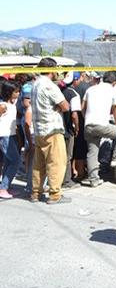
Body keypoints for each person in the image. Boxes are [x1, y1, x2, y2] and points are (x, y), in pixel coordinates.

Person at [30, 58, 71, 204]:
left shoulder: (35, 84)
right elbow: (65, 106)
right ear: (52, 70)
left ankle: (35, 192)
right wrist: (59, 107)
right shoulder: (49, 86)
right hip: (52, 128)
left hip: (39, 129)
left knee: (39, 164)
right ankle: (55, 194)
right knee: (56, 162)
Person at [81, 70, 116, 187]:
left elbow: (83, 108)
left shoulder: (90, 89)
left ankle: (93, 179)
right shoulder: (112, 90)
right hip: (102, 125)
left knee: (92, 152)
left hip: (88, 125)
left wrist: (87, 118)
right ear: (115, 82)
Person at [61, 71, 82, 189]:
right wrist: (77, 127)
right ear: (75, 80)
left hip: (58, 128)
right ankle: (66, 181)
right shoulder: (74, 94)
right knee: (67, 156)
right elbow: (74, 115)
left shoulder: (60, 91)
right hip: (68, 130)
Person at [0, 81, 21, 199]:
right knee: (15, 161)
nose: (18, 93)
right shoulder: (3, 106)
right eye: (16, 91)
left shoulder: (12, 104)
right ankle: (3, 187)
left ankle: (6, 185)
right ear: (9, 92)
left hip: (11, 135)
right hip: (4, 136)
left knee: (9, 162)